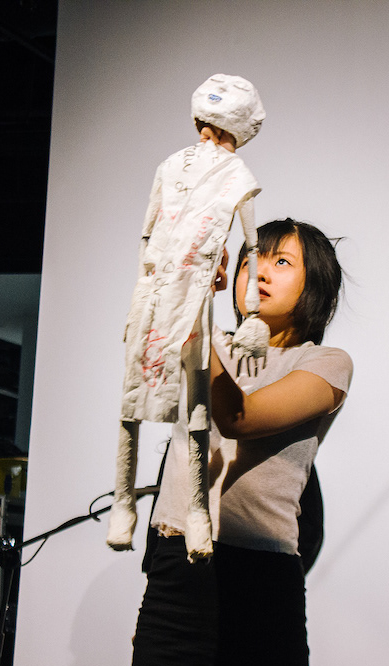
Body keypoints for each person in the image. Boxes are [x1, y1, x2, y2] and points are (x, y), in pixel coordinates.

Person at [130, 219, 353, 666]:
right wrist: (187, 291)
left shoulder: (324, 363)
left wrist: (193, 324)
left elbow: (239, 417)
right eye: (251, 261)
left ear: (315, 285)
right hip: (176, 572)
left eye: (282, 262)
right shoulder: (212, 345)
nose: (261, 273)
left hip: (260, 581)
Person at [108, 74, 269, 560]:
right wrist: (139, 297)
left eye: (215, 128)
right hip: (155, 292)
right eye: (204, 124)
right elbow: (148, 231)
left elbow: (251, 241)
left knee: (196, 406)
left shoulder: (237, 176)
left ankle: (197, 510)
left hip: (194, 296)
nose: (206, 136)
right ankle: (122, 502)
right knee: (133, 394)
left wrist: (252, 315)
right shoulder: (170, 167)